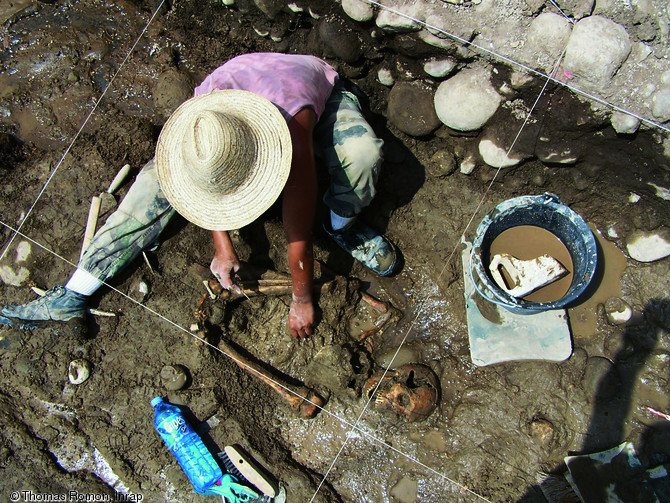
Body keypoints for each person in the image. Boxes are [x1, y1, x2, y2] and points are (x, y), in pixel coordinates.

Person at [0, 52, 397, 339]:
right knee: (154, 185)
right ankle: (74, 292)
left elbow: (299, 239)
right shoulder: (204, 120)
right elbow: (209, 179)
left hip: (313, 93)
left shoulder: (293, 130)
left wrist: (302, 299)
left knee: (360, 156)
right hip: (234, 101)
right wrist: (221, 246)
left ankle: (344, 223)